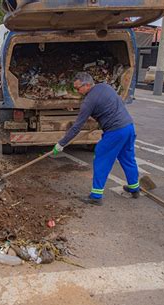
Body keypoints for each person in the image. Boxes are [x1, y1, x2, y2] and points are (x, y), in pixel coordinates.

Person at [53, 72, 140, 206]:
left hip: (115, 132)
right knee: (127, 157)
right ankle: (134, 188)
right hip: (128, 127)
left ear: (87, 85)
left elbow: (76, 127)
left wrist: (61, 144)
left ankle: (96, 195)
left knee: (101, 157)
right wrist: (102, 118)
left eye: (78, 88)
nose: (78, 92)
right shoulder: (105, 87)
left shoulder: (88, 101)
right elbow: (113, 105)